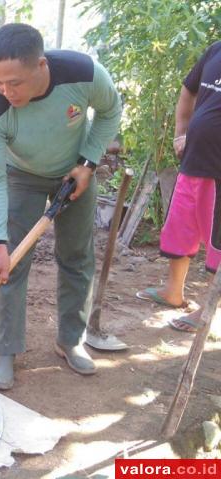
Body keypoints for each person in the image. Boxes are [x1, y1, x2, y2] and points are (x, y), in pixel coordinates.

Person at [0, 23, 122, 390]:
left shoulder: (83, 74)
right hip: (20, 176)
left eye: (14, 83)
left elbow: (110, 110)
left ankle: (70, 340)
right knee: (12, 264)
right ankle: (6, 349)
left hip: (75, 174)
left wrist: (88, 164)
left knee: (76, 258)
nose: (5, 91)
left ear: (41, 65)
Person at [136, 41, 221, 333]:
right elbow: (189, 89)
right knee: (179, 229)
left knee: (217, 243)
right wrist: (179, 133)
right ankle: (173, 292)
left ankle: (209, 311)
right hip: (194, 160)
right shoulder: (216, 50)